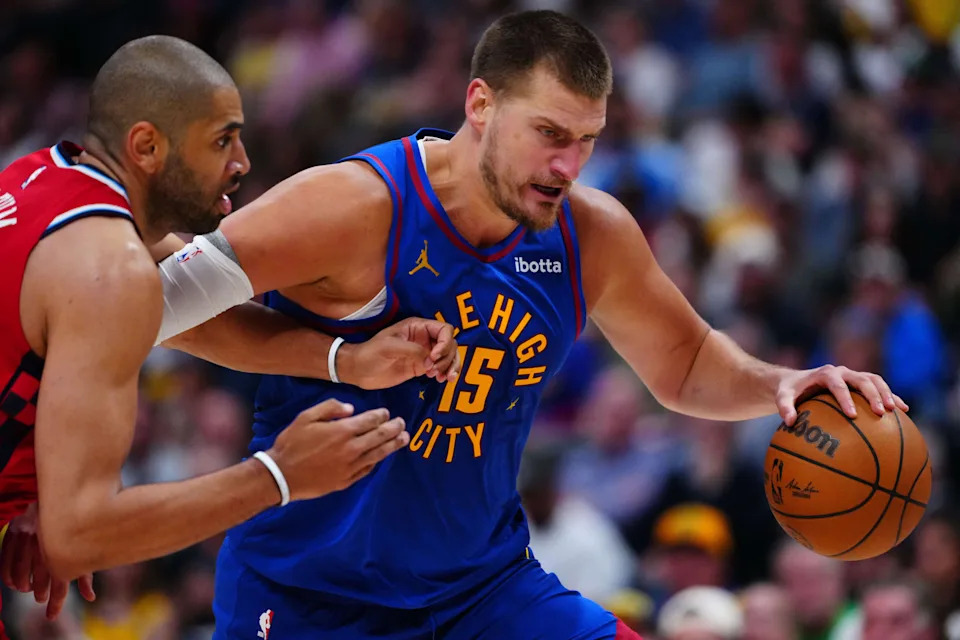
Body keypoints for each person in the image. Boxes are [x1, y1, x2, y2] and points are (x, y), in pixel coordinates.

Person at [157, 10, 908, 639]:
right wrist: (337, 360)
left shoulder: (591, 234)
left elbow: (684, 364)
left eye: (587, 139)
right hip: (311, 594)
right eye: (550, 133)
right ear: (480, 104)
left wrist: (784, 381)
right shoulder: (355, 207)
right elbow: (154, 312)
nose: (568, 165)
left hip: (482, 592)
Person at [0, 34, 460, 635]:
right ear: (147, 147)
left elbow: (200, 317)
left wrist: (347, 361)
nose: (242, 162)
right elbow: (78, 537)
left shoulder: (41, 178)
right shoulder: (112, 271)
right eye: (222, 140)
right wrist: (276, 475)